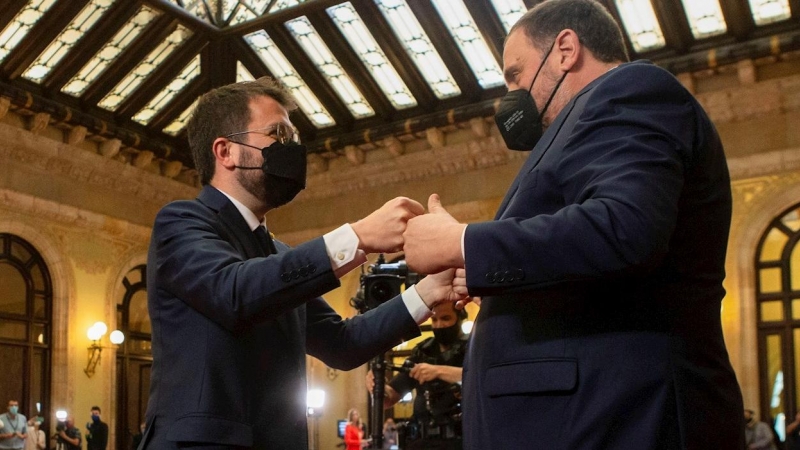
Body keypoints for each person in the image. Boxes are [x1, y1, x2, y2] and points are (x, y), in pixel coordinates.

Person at [401, 0, 744, 448]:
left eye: (515, 75)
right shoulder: (591, 118)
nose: (511, 95)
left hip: (618, 418)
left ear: (565, 49)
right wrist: (486, 275)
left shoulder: (629, 90)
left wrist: (464, 242)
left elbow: (624, 227)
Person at [140, 77, 464, 450]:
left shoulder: (277, 253)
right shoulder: (180, 222)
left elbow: (342, 344)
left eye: (293, 137)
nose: (292, 148)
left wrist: (429, 290)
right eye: (278, 134)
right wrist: (356, 237)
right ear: (225, 151)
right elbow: (233, 292)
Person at [367, 302, 467, 450]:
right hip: (422, 441)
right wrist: (376, 384)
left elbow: (480, 378)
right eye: (434, 320)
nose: (439, 325)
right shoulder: (423, 352)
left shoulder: (472, 347)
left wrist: (438, 371)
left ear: (460, 317)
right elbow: (389, 398)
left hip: (461, 441)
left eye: (446, 318)